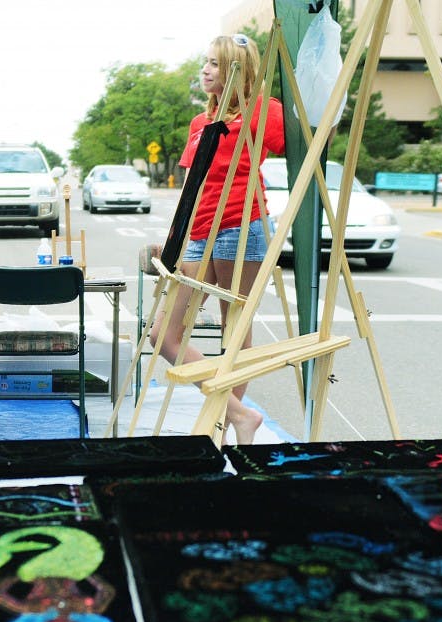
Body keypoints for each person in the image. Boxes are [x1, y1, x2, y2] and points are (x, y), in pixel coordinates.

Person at [150, 33, 284, 444]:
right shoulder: (200, 122)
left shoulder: (265, 111)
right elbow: (191, 186)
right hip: (198, 233)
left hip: (242, 226)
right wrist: (172, 241)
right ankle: (240, 414)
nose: (205, 71)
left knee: (233, 330)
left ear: (235, 71)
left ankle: (221, 427)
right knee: (163, 335)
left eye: (214, 64)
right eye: (205, 62)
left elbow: (306, 145)